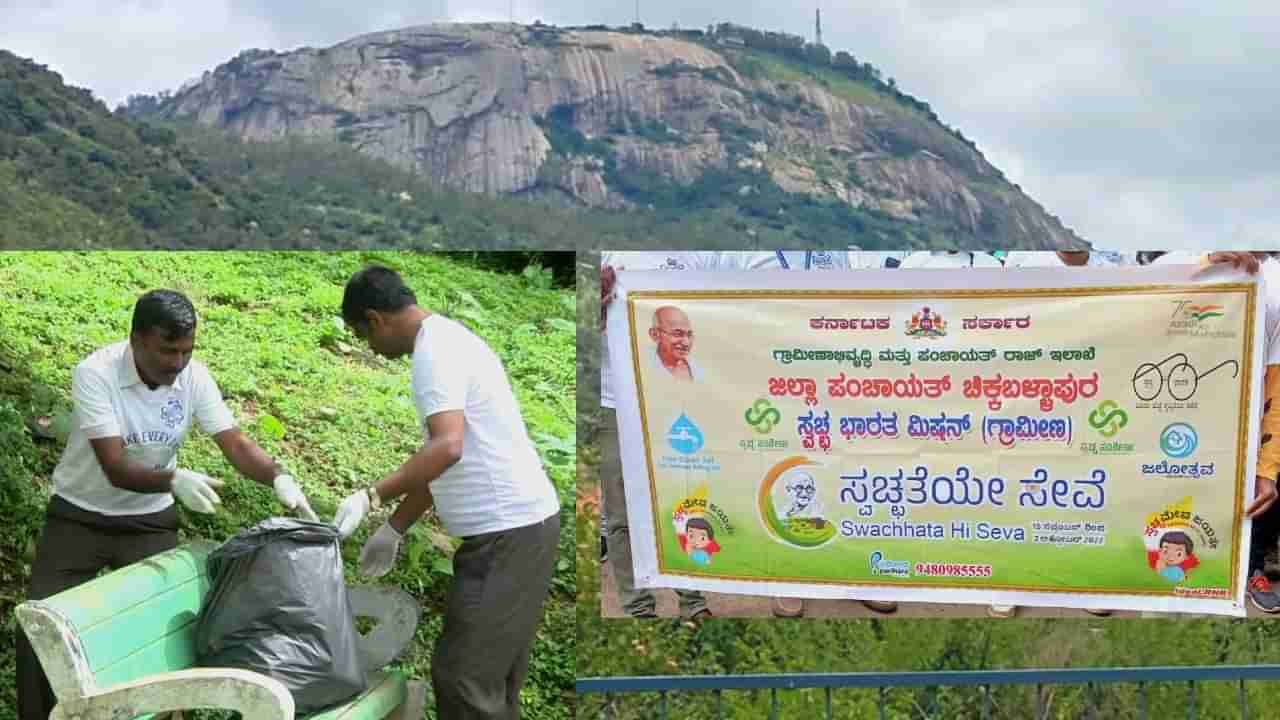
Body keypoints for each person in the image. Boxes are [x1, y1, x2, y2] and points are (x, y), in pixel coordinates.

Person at [17, 289, 317, 720]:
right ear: (136, 339)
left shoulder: (193, 377)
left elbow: (233, 441)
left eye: (186, 351)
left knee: (163, 638)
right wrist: (173, 479)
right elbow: (114, 466)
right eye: (167, 351)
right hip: (79, 514)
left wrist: (278, 476)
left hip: (147, 522)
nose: (177, 363)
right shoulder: (97, 372)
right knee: (40, 633)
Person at [332, 266, 560, 719]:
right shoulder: (448, 340)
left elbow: (448, 447)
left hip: (506, 534)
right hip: (519, 529)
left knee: (464, 678)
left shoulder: (433, 354)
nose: (370, 348)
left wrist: (371, 496)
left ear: (375, 320)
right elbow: (448, 458)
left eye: (364, 336)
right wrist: (395, 528)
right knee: (490, 680)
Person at [599, 252, 736, 620]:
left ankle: (692, 600)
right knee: (621, 511)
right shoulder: (607, 255)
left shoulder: (702, 256)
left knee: (681, 501)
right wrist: (594, 298)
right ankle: (638, 608)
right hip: (614, 401)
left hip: (679, 402)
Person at [649, 306, 702, 381]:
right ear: (655, 334)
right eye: (677, 334)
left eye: (689, 335)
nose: (686, 343)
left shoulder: (698, 369)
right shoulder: (646, 367)